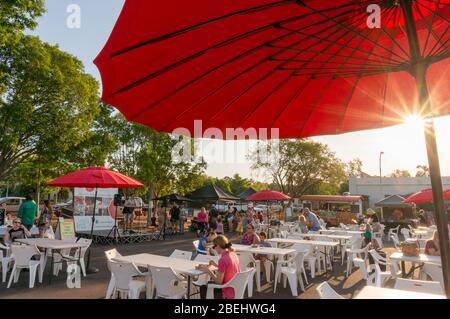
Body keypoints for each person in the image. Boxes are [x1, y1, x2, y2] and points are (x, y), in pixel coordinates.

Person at [198, 235, 240, 299]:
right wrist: (217, 265)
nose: (213, 248)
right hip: (235, 288)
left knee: (203, 287)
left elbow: (219, 282)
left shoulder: (223, 260)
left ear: (218, 246)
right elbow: (228, 268)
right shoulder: (233, 254)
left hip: (226, 292)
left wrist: (208, 271)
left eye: (214, 246)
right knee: (207, 284)